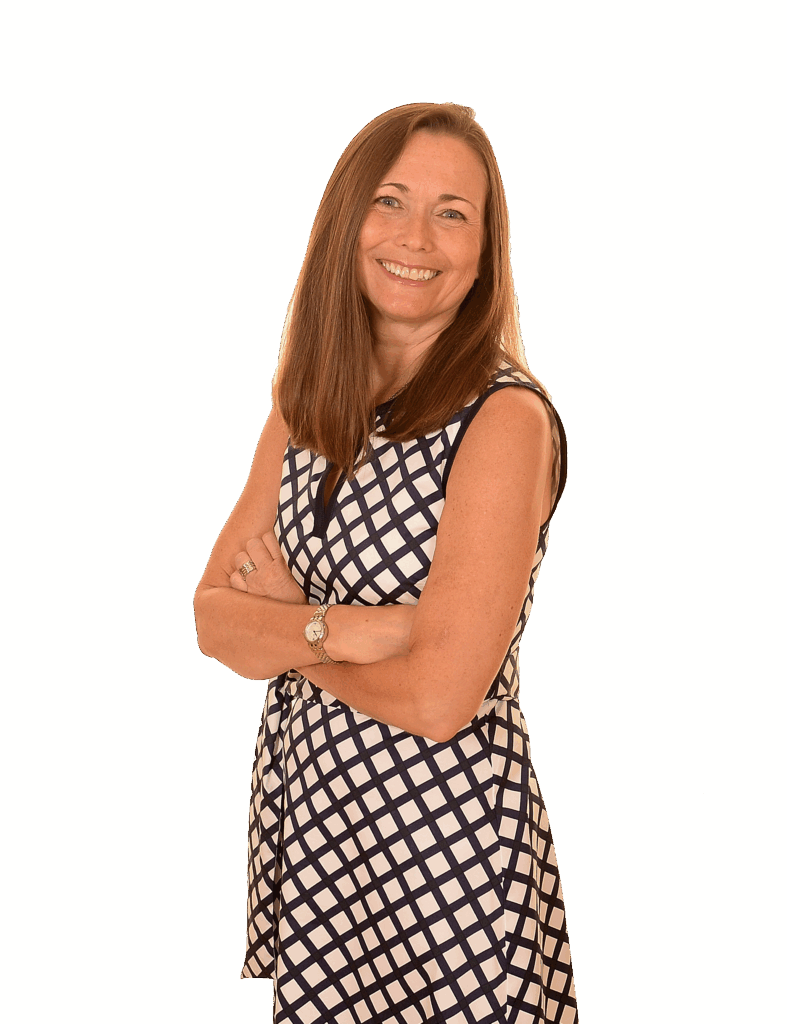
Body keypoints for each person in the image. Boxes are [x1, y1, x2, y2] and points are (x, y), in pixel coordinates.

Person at [194, 101, 578, 1024]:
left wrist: (288, 627)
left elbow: (441, 699)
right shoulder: (306, 405)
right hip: (326, 846)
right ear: (346, 220)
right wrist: (364, 630)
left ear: (485, 251)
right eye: (391, 200)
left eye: (453, 213)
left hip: (449, 861)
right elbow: (212, 618)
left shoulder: (504, 420)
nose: (417, 236)